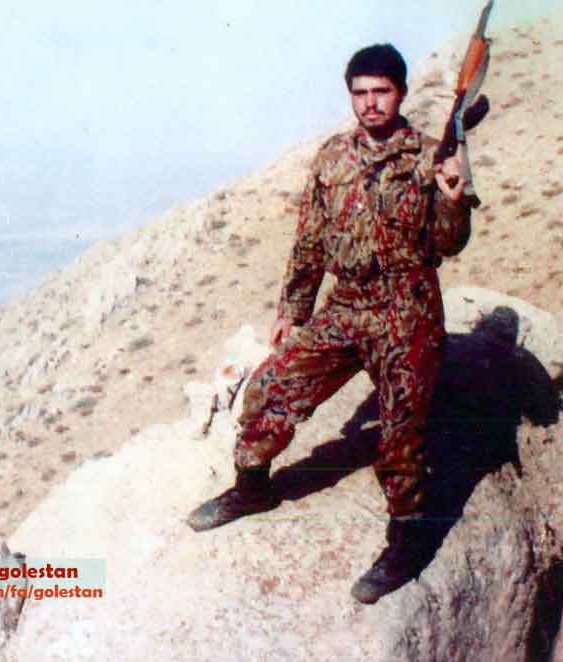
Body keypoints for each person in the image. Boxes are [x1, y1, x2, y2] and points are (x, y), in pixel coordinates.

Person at [186, 43, 473, 604]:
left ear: (401, 93)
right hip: (346, 306)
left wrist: (453, 199)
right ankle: (252, 488)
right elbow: (310, 240)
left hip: (406, 308)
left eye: (381, 91)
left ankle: (408, 540)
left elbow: (449, 243)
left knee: (401, 433)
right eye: (360, 93)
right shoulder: (333, 157)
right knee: (271, 386)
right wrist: (293, 310)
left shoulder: (430, 156)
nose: (370, 103)